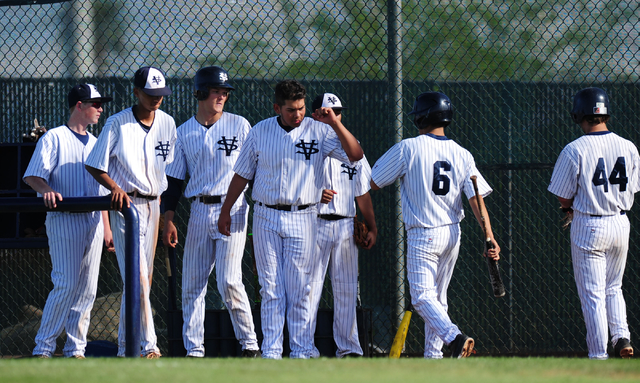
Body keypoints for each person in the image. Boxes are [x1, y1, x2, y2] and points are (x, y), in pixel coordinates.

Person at [218, 80, 363, 359]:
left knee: (300, 288)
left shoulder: (319, 130)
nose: (297, 114)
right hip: (266, 214)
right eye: (290, 109)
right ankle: (271, 352)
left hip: (304, 215)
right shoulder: (260, 131)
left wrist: (333, 122)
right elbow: (242, 175)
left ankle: (301, 350)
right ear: (277, 108)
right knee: (271, 287)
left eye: (301, 108)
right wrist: (226, 209)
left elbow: (355, 154)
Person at [370, 91, 500, 359]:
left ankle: (454, 337)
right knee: (437, 300)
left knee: (420, 297)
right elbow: (475, 199)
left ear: (420, 116)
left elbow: (373, 180)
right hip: (453, 233)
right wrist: (489, 235)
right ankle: (434, 358)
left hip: (424, 233)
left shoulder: (409, 147)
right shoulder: (462, 153)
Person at [161, 66, 260, 358]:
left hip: (234, 208)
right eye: (217, 90)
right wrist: (168, 220)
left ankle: (250, 345)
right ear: (201, 92)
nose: (222, 96)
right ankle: (194, 349)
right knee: (192, 283)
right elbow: (174, 182)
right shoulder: (184, 132)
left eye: (225, 92)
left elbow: (256, 169)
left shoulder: (240, 125)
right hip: (199, 210)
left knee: (229, 280)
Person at [85, 66, 177, 358]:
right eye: (150, 94)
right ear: (137, 92)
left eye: (160, 94)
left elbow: (166, 168)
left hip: (154, 204)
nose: (156, 99)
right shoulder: (117, 123)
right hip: (127, 207)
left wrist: (163, 214)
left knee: (143, 281)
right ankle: (150, 346)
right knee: (137, 277)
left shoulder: (168, 123)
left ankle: (126, 347)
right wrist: (114, 187)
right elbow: (94, 164)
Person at [24, 84, 114, 358]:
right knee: (65, 283)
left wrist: (107, 228)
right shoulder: (54, 137)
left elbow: (104, 190)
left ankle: (76, 349)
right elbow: (32, 176)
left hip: (94, 221)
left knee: (88, 288)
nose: (100, 109)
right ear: (79, 105)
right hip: (64, 219)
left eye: (101, 104)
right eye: (95, 104)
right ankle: (44, 347)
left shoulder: (98, 142)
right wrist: (46, 190)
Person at [548, 87, 637, 360]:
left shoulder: (575, 149)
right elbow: (632, 188)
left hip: (589, 225)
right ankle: (621, 336)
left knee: (593, 295)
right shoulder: (628, 146)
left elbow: (563, 195)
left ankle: (598, 355)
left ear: (579, 114)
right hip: (621, 222)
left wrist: (568, 209)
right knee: (614, 287)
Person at [308, 93, 377, 358]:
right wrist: (313, 194)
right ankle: (306, 348)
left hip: (346, 225)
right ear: (316, 114)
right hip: (314, 223)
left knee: (347, 290)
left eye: (338, 111)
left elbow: (362, 192)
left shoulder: (351, 145)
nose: (334, 116)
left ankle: (349, 349)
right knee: (309, 289)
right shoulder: (306, 141)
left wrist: (372, 227)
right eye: (328, 111)